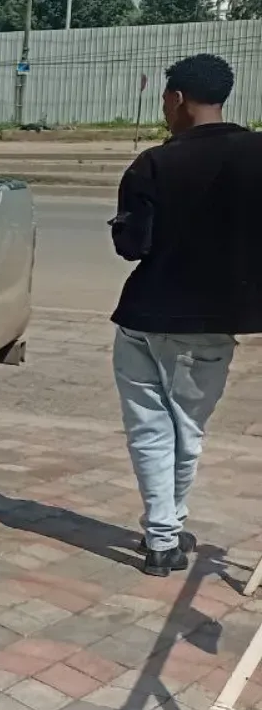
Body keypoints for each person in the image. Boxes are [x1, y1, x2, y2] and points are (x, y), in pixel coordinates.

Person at [110, 54, 262, 576]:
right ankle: (165, 532)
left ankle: (162, 538)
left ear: (177, 100)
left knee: (150, 430)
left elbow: (131, 246)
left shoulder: (152, 163)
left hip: (143, 318)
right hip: (213, 323)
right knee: (187, 433)